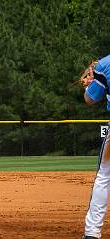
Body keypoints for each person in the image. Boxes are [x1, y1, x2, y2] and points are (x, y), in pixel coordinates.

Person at [81, 54, 110, 239]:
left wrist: (89, 84)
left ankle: (92, 233)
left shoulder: (106, 63)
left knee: (104, 176)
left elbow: (91, 99)